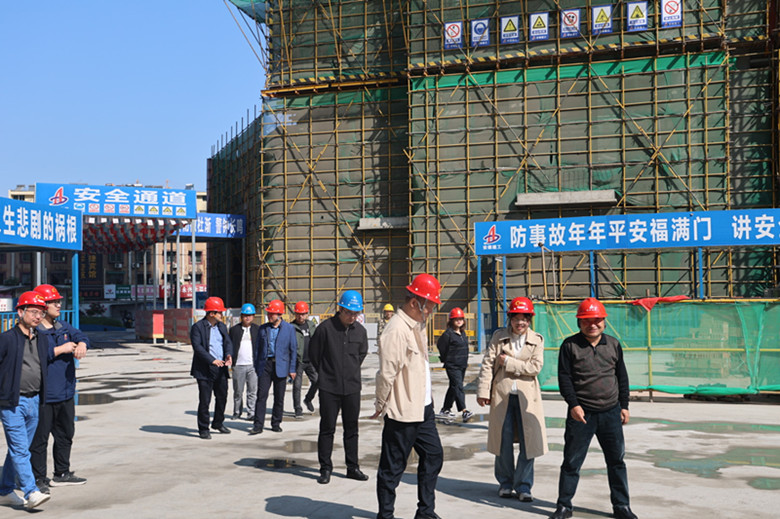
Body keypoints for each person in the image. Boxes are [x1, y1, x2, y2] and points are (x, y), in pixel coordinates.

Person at [549, 298, 637, 519]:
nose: (592, 325)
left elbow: (622, 377)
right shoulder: (569, 346)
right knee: (571, 462)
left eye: (597, 320)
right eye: (586, 320)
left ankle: (622, 506)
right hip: (582, 414)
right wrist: (573, 405)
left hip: (611, 412)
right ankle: (564, 506)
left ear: (604, 322)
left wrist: (624, 405)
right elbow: (565, 378)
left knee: (616, 462)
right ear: (579, 322)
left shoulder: (613, 344)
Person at [373, 274, 444, 519]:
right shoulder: (396, 329)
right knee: (392, 467)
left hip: (423, 408)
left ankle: (425, 512)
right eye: (430, 306)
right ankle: (385, 515)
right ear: (415, 303)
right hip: (403, 411)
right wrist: (381, 404)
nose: (431, 311)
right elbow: (387, 373)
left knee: (434, 455)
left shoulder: (416, 326)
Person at [476, 297, 547, 502]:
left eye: (524, 319)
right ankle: (505, 483)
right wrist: (483, 391)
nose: (520, 323)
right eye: (516, 319)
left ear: (529, 320)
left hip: (527, 397)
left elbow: (535, 367)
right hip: (502, 395)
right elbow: (488, 364)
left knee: (529, 443)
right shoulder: (499, 337)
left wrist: (508, 362)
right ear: (510, 319)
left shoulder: (537, 340)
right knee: (503, 441)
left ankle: (524, 486)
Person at [30, 284, 89, 493]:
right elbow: (32, 357)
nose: (58, 305)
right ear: (42, 306)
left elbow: (81, 335)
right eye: (54, 302)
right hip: (44, 395)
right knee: (40, 440)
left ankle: (62, 473)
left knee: (65, 434)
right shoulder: (35, 332)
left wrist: (82, 344)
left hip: (65, 392)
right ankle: (38, 479)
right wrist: (59, 350)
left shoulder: (62, 326)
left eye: (58, 301)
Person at [309, 291, 369, 484]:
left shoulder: (360, 332)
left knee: (352, 429)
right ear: (340, 309)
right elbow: (314, 355)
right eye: (349, 312)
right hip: (329, 388)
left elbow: (361, 354)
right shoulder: (325, 329)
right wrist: (327, 374)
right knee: (327, 428)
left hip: (352, 387)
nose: (352, 317)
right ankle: (325, 468)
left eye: (355, 313)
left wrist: (349, 371)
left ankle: (352, 467)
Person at [0, 291, 52, 510]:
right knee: (21, 450)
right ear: (20, 312)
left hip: (34, 400)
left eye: (41, 313)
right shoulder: (6, 339)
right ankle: (31, 492)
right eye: (33, 312)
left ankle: (4, 491)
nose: (38, 317)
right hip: (12, 402)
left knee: (19, 449)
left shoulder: (41, 339)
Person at [249, 299, 296, 435]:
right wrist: (257, 366)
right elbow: (257, 349)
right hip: (265, 365)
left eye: (272, 314)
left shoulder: (289, 329)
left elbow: (293, 350)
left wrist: (292, 369)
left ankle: (276, 423)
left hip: (281, 366)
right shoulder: (263, 328)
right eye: (268, 313)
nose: (269, 316)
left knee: (279, 397)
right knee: (261, 396)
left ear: (279, 314)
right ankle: (258, 425)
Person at [190, 296, 233, 440]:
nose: (222, 315)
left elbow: (228, 342)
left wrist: (228, 355)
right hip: (205, 369)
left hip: (221, 368)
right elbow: (198, 348)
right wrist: (212, 360)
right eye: (220, 312)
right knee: (205, 400)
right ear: (212, 313)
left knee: (222, 397)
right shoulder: (197, 328)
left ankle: (218, 423)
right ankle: (203, 428)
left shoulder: (222, 327)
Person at [437, 307, 473, 423]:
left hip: (462, 365)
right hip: (452, 365)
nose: (459, 321)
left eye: (460, 319)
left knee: (453, 387)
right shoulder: (448, 334)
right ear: (451, 320)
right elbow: (441, 346)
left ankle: (445, 409)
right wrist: (446, 359)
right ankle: (464, 411)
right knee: (458, 387)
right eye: (456, 319)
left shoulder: (462, 333)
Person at [229, 303, 260, 421]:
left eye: (250, 315)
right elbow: (229, 346)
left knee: (252, 391)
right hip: (238, 365)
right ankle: (237, 412)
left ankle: (251, 413)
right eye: (245, 315)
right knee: (238, 391)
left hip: (253, 365)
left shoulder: (257, 330)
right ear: (241, 316)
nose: (247, 318)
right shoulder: (234, 330)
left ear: (253, 316)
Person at [291, 301, 318, 418]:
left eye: (303, 314)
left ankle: (308, 399)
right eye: (298, 314)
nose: (300, 316)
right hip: (298, 361)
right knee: (297, 386)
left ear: (307, 314)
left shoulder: (311, 325)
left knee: (317, 381)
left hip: (311, 360)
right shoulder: (291, 327)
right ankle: (297, 409)